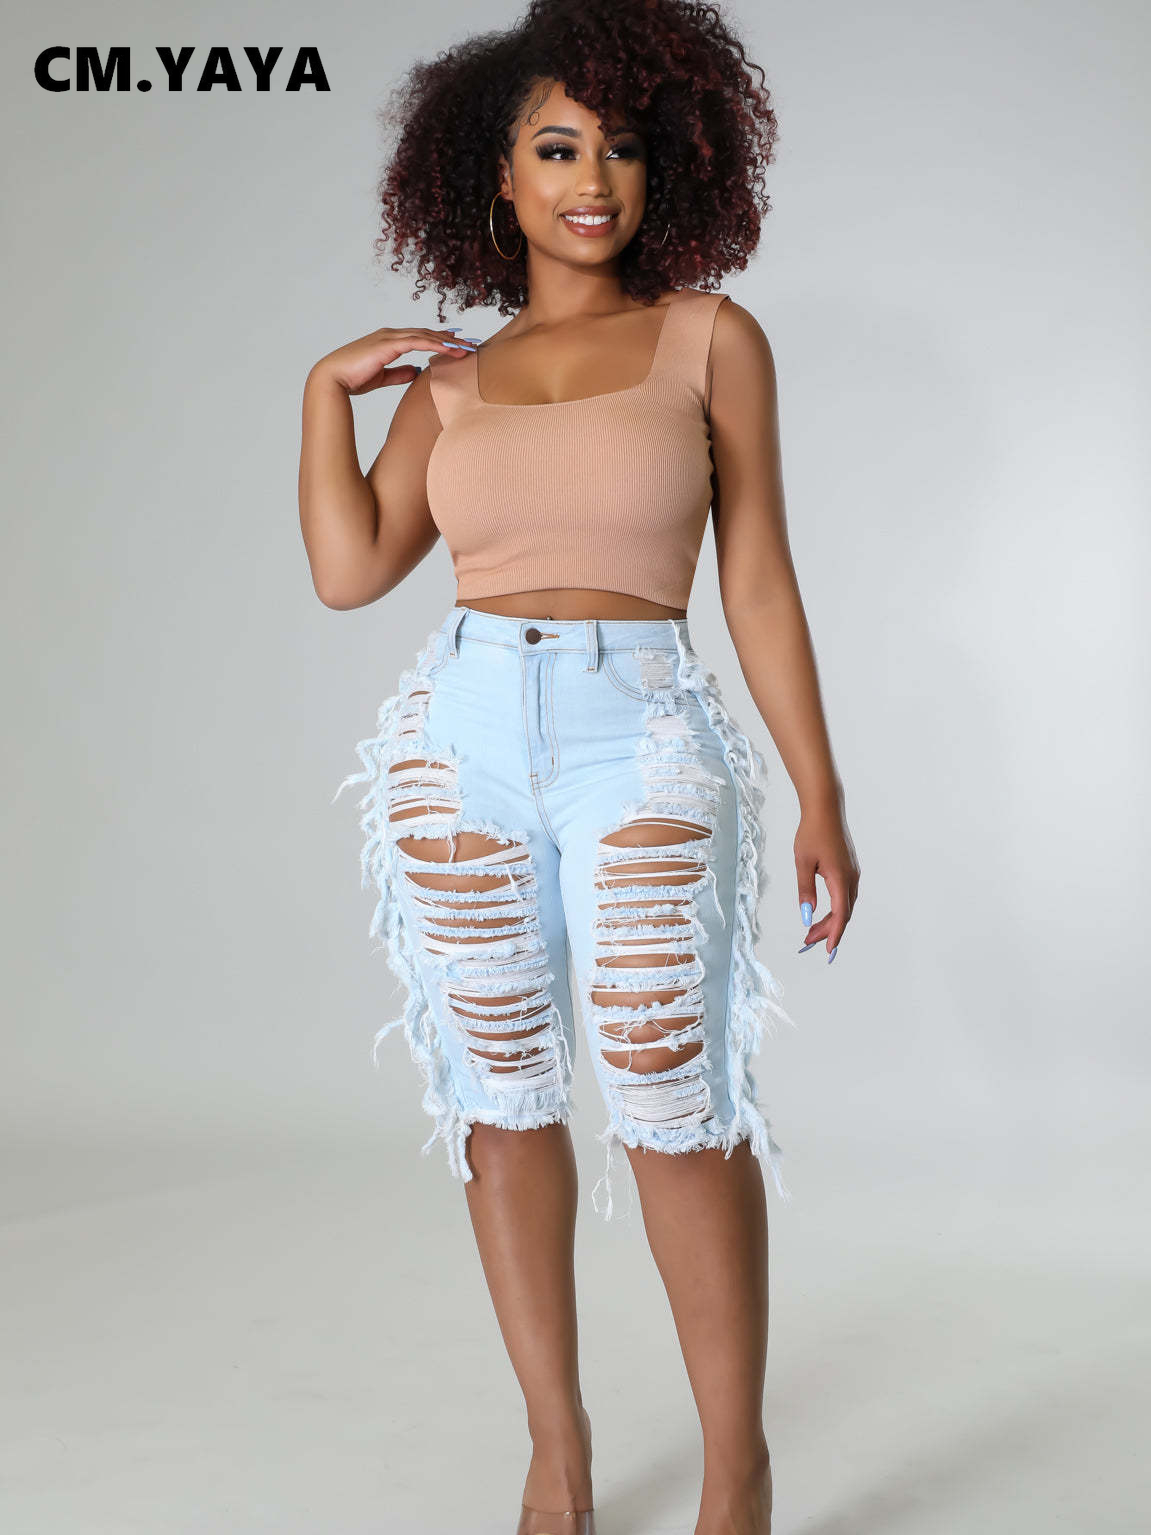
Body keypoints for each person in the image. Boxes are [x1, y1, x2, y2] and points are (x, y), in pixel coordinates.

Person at [302, 3, 860, 1530]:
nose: (590, 178)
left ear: (668, 165)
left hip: (645, 734)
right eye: (556, 149)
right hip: (461, 740)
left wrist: (818, 790)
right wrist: (319, 396)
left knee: (674, 1092)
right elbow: (350, 570)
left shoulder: (708, 340)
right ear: (498, 176)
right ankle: (558, 1451)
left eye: (619, 146)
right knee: (500, 1100)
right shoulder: (451, 383)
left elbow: (758, 581)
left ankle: (737, 1471)